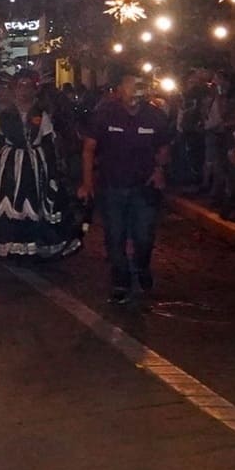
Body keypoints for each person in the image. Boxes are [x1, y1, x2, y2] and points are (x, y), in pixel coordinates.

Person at [78, 70, 172, 304]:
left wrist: (159, 170)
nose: (135, 92)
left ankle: (142, 266)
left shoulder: (155, 116)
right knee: (115, 236)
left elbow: (164, 148)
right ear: (120, 91)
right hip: (112, 186)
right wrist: (87, 182)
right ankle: (120, 280)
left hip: (144, 187)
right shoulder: (105, 115)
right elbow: (89, 149)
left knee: (144, 236)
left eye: (139, 87)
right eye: (130, 87)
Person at [0, 70, 81, 260]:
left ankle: (32, 247)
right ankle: (12, 246)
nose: (23, 91)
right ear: (14, 89)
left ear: (35, 90)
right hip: (11, 165)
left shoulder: (41, 114)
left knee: (33, 204)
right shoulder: (4, 115)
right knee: (10, 204)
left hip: (36, 165)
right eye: (20, 86)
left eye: (28, 86)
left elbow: (49, 142)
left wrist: (51, 168)